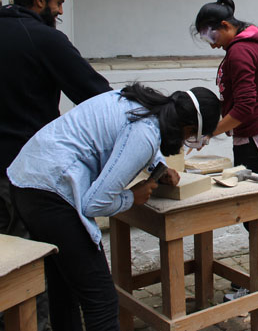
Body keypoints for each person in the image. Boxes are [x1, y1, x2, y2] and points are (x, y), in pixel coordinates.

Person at [7, 83, 221, 331]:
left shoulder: (146, 105)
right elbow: (94, 203)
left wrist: (158, 168)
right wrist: (132, 197)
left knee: (65, 288)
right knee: (102, 302)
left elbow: (135, 137)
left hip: (26, 178)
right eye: (191, 137)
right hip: (49, 191)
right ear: (188, 128)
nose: (188, 142)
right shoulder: (145, 134)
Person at [0, 0, 111, 331]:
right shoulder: (44, 39)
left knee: (6, 268)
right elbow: (97, 96)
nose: (61, 12)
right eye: (59, 3)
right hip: (27, 174)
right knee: (35, 271)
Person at [193, 0, 258, 305]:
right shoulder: (250, 42)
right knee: (254, 213)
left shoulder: (240, 52)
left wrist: (208, 133)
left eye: (211, 36)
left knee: (255, 213)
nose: (211, 45)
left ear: (225, 25)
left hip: (257, 139)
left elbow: (245, 107)